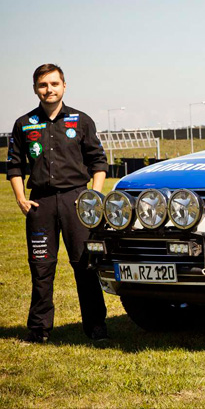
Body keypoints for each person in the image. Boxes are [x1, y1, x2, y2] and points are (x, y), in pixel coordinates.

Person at [7, 64, 109, 343]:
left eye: (54, 84)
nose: (49, 89)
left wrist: (94, 198)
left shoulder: (81, 120)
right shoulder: (23, 124)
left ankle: (96, 327)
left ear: (64, 86)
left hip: (76, 202)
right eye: (43, 85)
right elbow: (14, 167)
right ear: (35, 89)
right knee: (41, 268)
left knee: (85, 266)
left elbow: (99, 163)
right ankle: (39, 330)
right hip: (40, 205)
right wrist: (21, 199)